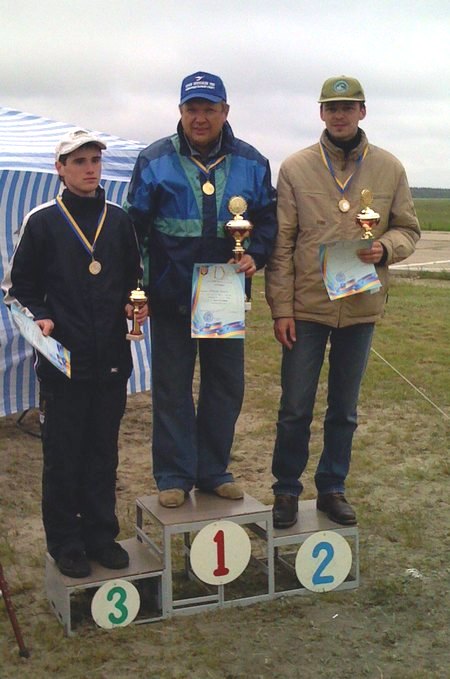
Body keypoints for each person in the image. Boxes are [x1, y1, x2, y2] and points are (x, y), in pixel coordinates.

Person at [265, 75, 420, 528]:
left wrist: (385, 248)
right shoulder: (296, 167)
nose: (339, 115)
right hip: (307, 309)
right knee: (295, 407)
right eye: (332, 108)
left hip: (360, 307)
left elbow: (408, 229)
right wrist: (282, 309)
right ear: (321, 113)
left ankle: (332, 487)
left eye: (348, 107)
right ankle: (286, 490)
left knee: (344, 410)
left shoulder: (389, 167)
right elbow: (282, 244)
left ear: (362, 111)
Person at [126, 71, 277, 508]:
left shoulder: (252, 161)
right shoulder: (154, 159)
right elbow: (134, 230)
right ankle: (173, 475)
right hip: (170, 296)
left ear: (225, 111)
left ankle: (213, 470)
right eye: (192, 109)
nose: (200, 118)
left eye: (209, 109)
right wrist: (137, 289)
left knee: (224, 387)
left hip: (223, 297)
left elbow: (268, 221)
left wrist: (255, 255)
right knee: (172, 388)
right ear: (180, 111)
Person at [2, 129, 147, 577]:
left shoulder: (119, 220)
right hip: (62, 360)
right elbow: (18, 289)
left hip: (111, 358)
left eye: (95, 161)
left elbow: (133, 279)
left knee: (103, 452)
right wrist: (42, 317)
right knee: (64, 454)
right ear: (60, 169)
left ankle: (101, 535)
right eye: (79, 162)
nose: (89, 169)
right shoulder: (42, 220)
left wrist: (134, 304)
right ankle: (65, 541)